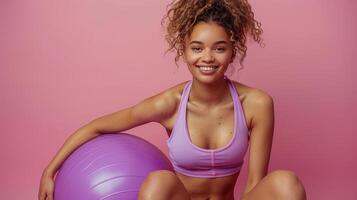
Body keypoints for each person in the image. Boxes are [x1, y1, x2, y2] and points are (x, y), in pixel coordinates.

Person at [39, 0, 307, 200]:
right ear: (184, 49)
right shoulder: (170, 104)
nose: (208, 58)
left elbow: (254, 185)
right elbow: (97, 127)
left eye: (220, 48)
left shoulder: (257, 103)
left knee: (287, 183)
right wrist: (50, 171)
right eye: (197, 48)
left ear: (232, 51)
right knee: (158, 182)